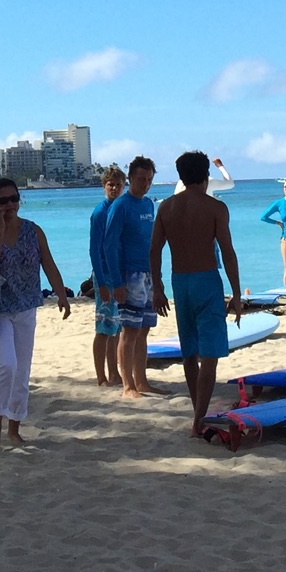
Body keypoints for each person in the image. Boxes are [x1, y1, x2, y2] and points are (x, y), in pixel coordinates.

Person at [0, 177, 73, 448]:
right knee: (6, 364)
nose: (10, 205)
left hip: (27, 307)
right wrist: (1, 230)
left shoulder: (33, 230)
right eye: (3, 201)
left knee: (22, 372)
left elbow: (48, 263)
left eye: (14, 199)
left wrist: (61, 295)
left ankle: (14, 429)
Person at [151, 150, 245, 436]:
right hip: (206, 280)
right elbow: (227, 253)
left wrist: (158, 287)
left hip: (180, 281)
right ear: (206, 176)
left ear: (180, 176)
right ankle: (198, 420)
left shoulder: (166, 207)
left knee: (190, 352)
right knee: (210, 356)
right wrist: (237, 293)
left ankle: (197, 412)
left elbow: (154, 250)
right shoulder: (215, 209)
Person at [101, 155, 170, 399]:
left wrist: (158, 277)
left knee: (143, 330)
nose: (145, 184)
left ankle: (142, 382)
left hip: (148, 273)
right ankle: (127, 385)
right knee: (128, 330)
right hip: (128, 274)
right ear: (130, 179)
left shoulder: (149, 205)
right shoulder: (121, 205)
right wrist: (115, 282)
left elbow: (152, 242)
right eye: (141, 179)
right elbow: (109, 245)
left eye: (149, 179)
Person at [87, 165, 127, 388]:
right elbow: (94, 249)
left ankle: (115, 373)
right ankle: (100, 375)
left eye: (118, 185)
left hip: (119, 275)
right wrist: (101, 282)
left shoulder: (119, 209)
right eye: (111, 184)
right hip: (104, 274)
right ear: (104, 186)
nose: (114, 188)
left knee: (116, 328)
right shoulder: (100, 212)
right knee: (103, 328)